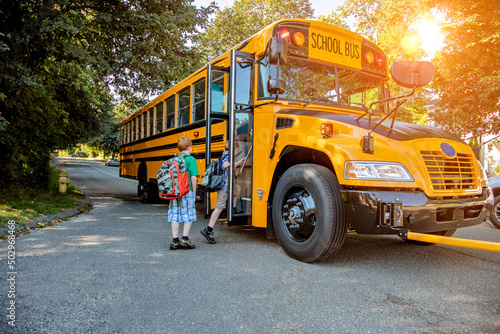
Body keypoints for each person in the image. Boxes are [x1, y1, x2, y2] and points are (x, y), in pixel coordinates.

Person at [201, 140, 242, 244]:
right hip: (224, 188)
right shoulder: (227, 157)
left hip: (229, 186)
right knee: (218, 208)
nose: (237, 151)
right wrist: (238, 162)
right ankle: (208, 229)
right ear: (234, 149)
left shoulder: (225, 155)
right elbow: (228, 166)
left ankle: (232, 209)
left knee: (237, 190)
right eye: (237, 150)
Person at [168, 136, 199, 250]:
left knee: (175, 215)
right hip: (187, 191)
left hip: (175, 192)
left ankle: (175, 241)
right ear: (189, 147)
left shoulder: (174, 159)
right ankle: (185, 239)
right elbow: (194, 178)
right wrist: (194, 192)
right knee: (188, 215)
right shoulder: (191, 159)